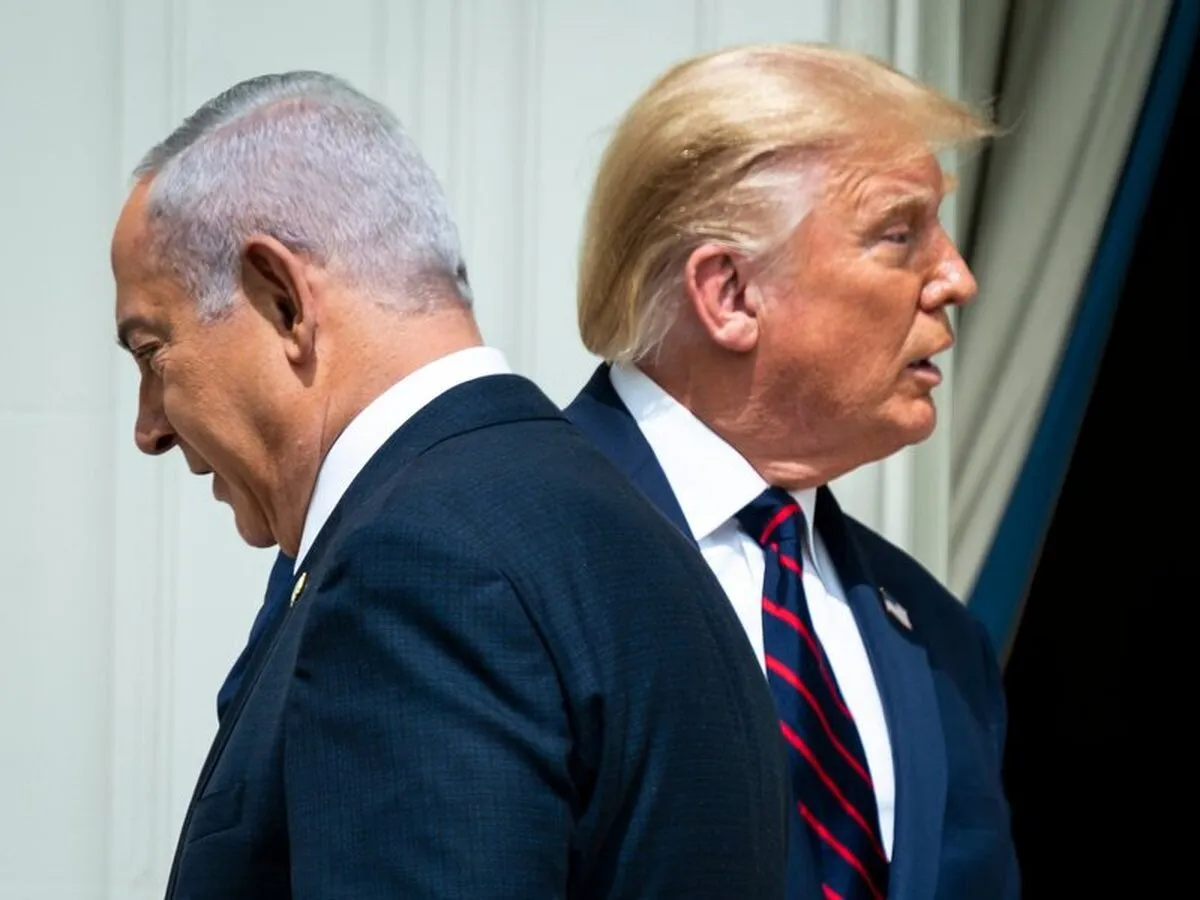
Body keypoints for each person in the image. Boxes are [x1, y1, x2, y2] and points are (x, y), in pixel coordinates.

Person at [112, 71, 787, 899]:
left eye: (152, 352)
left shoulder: (416, 571)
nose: (149, 427)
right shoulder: (647, 543)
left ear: (283, 300)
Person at [563, 45, 1019, 899]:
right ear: (730, 293)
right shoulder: (496, 557)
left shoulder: (941, 639)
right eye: (899, 234)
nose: (957, 278)